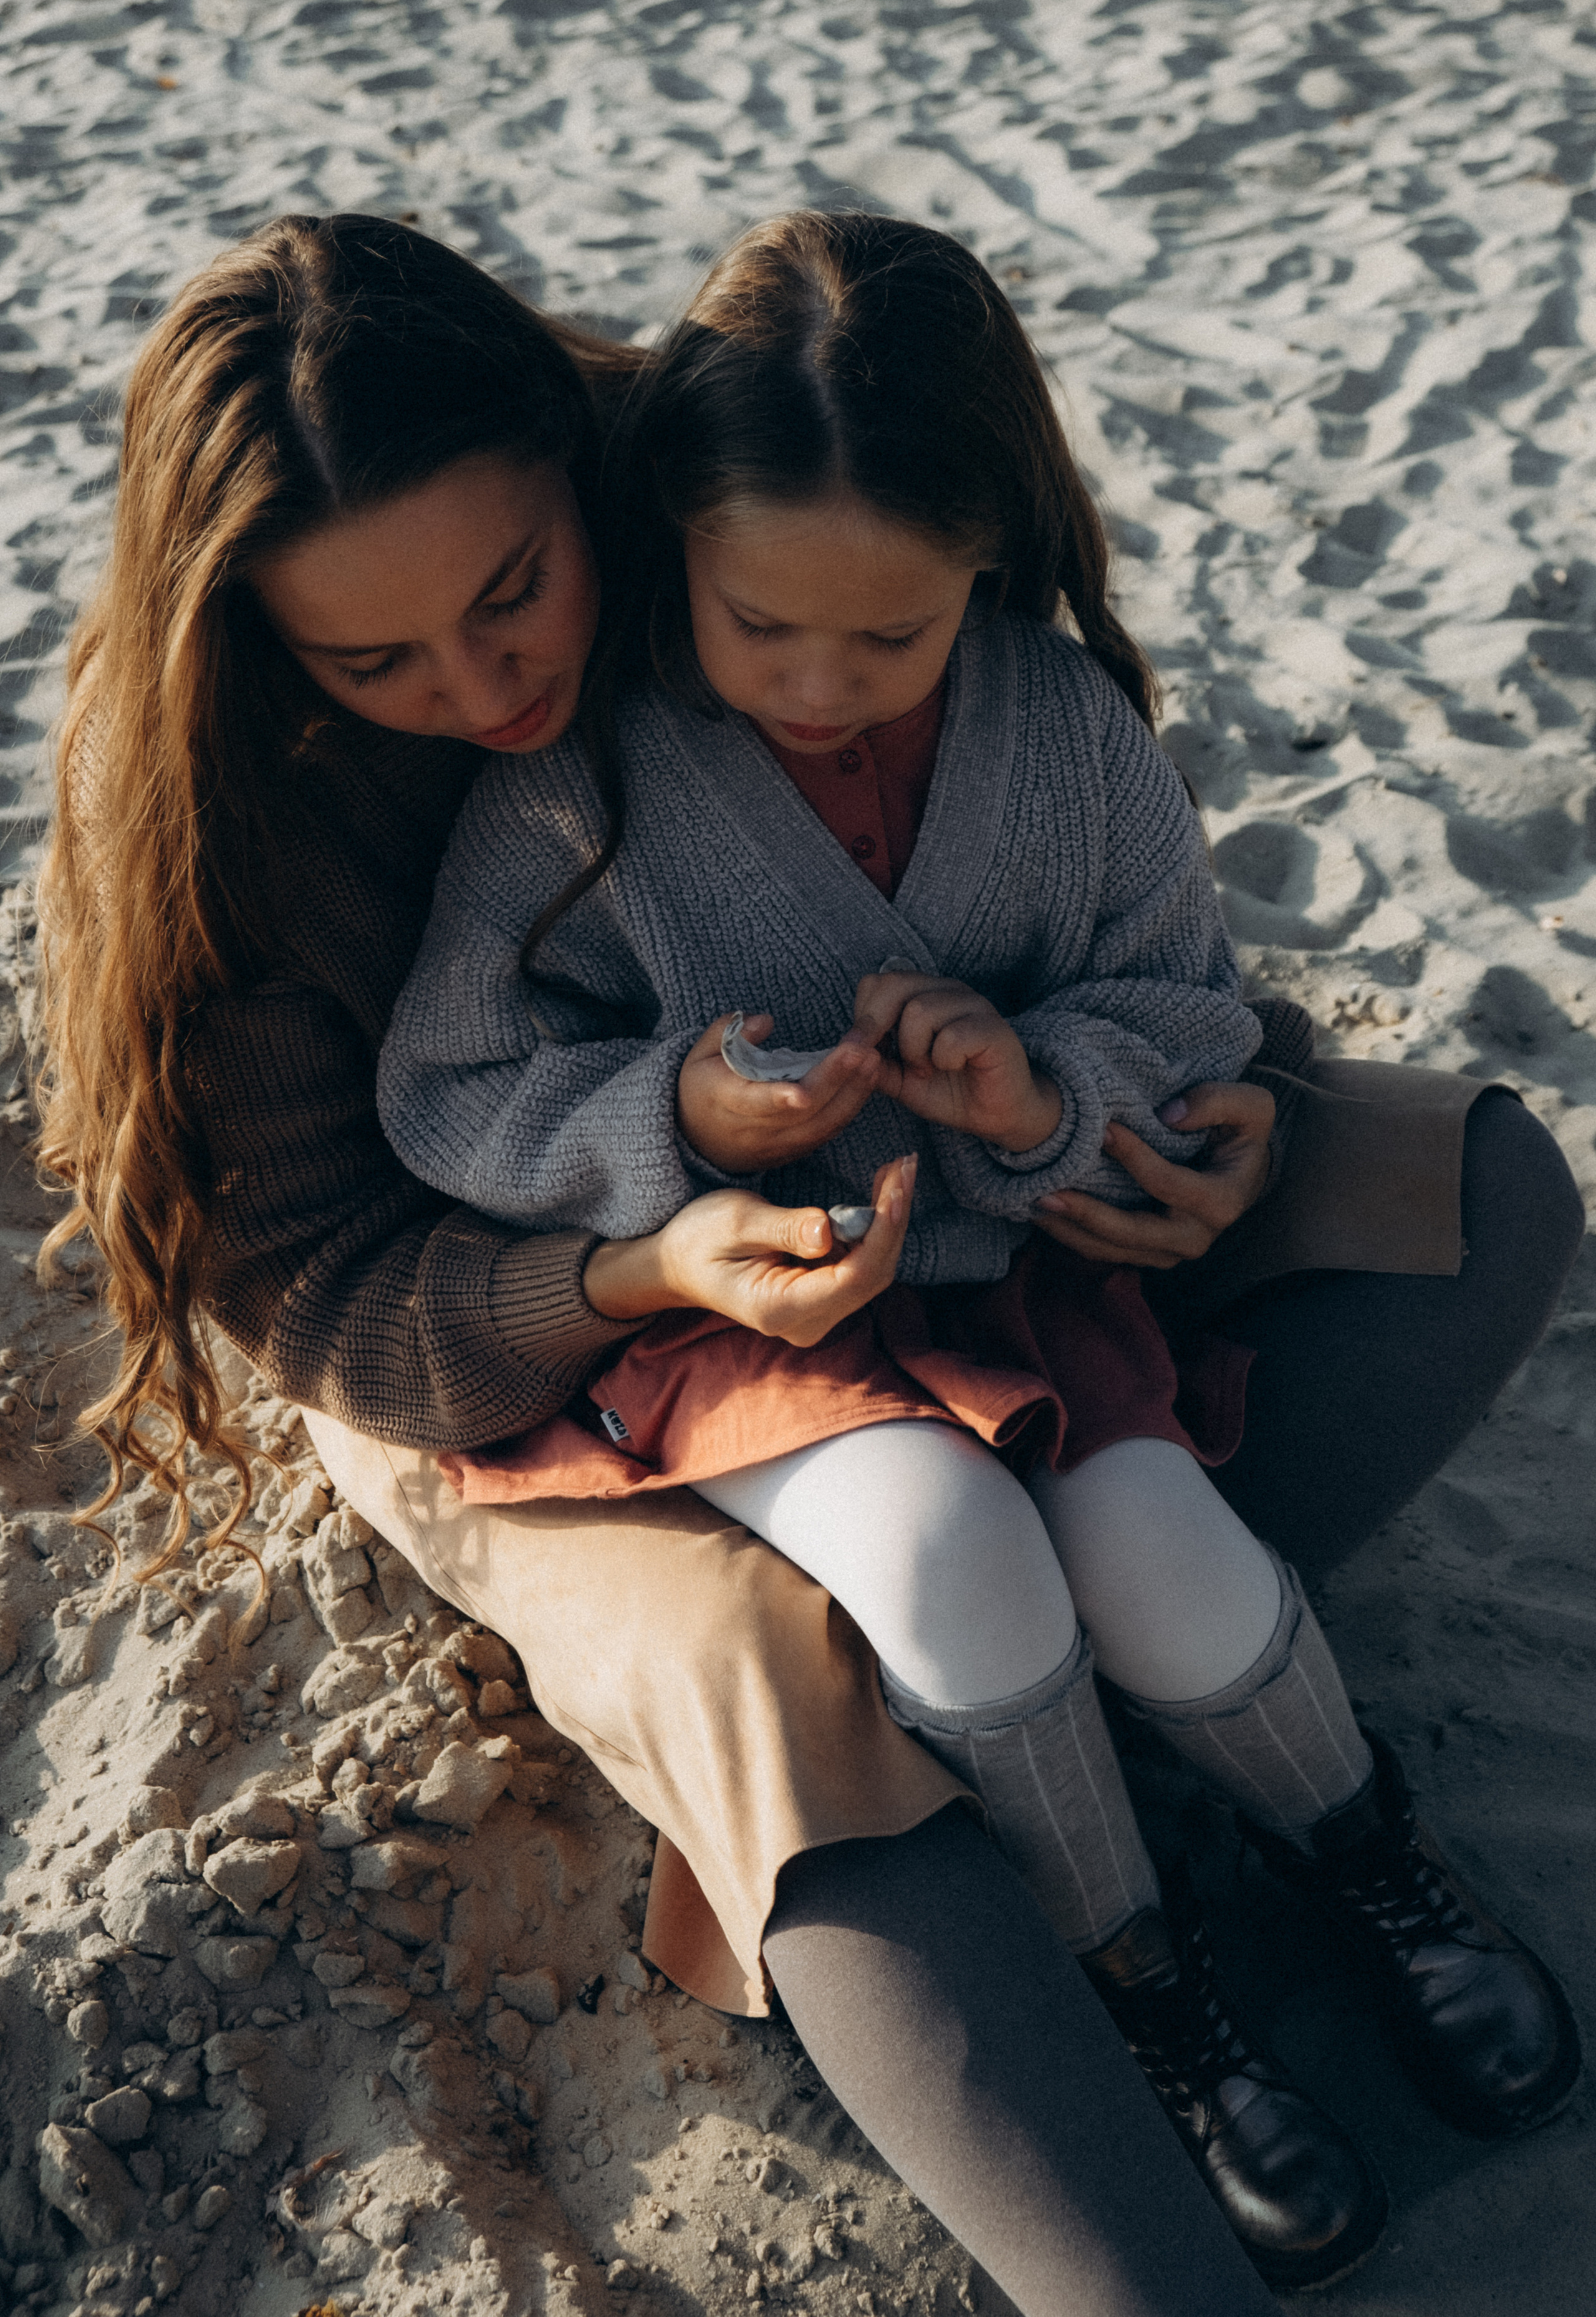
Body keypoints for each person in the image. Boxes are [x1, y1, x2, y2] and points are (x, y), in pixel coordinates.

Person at [33, 212, 1580, 2315]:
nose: (484, 689)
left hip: (943, 1233)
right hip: (505, 1339)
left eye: (516, 596)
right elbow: (331, 1285)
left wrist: (1188, 1138)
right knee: (804, 1685)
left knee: (1463, 1198)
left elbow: (1096, 917)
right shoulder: (226, 804)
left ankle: (1106, 1708)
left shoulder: (731, 496)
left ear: (605, 486)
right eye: (374, 664)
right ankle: (1035, 1882)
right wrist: (651, 1256)